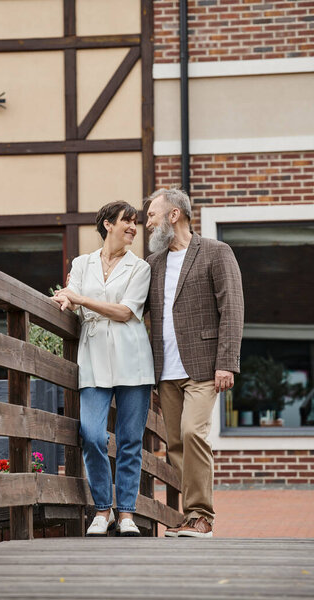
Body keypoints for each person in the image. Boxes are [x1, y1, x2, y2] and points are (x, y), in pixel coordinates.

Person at [145, 187, 244, 538]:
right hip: (166, 369)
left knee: (192, 433)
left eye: (152, 216)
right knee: (175, 444)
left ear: (175, 215)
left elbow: (231, 308)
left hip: (203, 366)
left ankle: (203, 517)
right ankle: (191, 516)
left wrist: (227, 362)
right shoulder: (153, 263)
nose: (148, 224)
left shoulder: (216, 252)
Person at [52, 201, 155, 537]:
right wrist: (66, 300)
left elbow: (126, 312)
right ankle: (102, 509)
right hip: (94, 358)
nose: (133, 228)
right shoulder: (81, 264)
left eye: (136, 223)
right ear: (108, 224)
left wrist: (79, 300)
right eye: (127, 221)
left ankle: (126, 513)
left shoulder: (140, 268)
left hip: (133, 359)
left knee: (129, 440)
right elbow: (71, 294)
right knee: (93, 435)